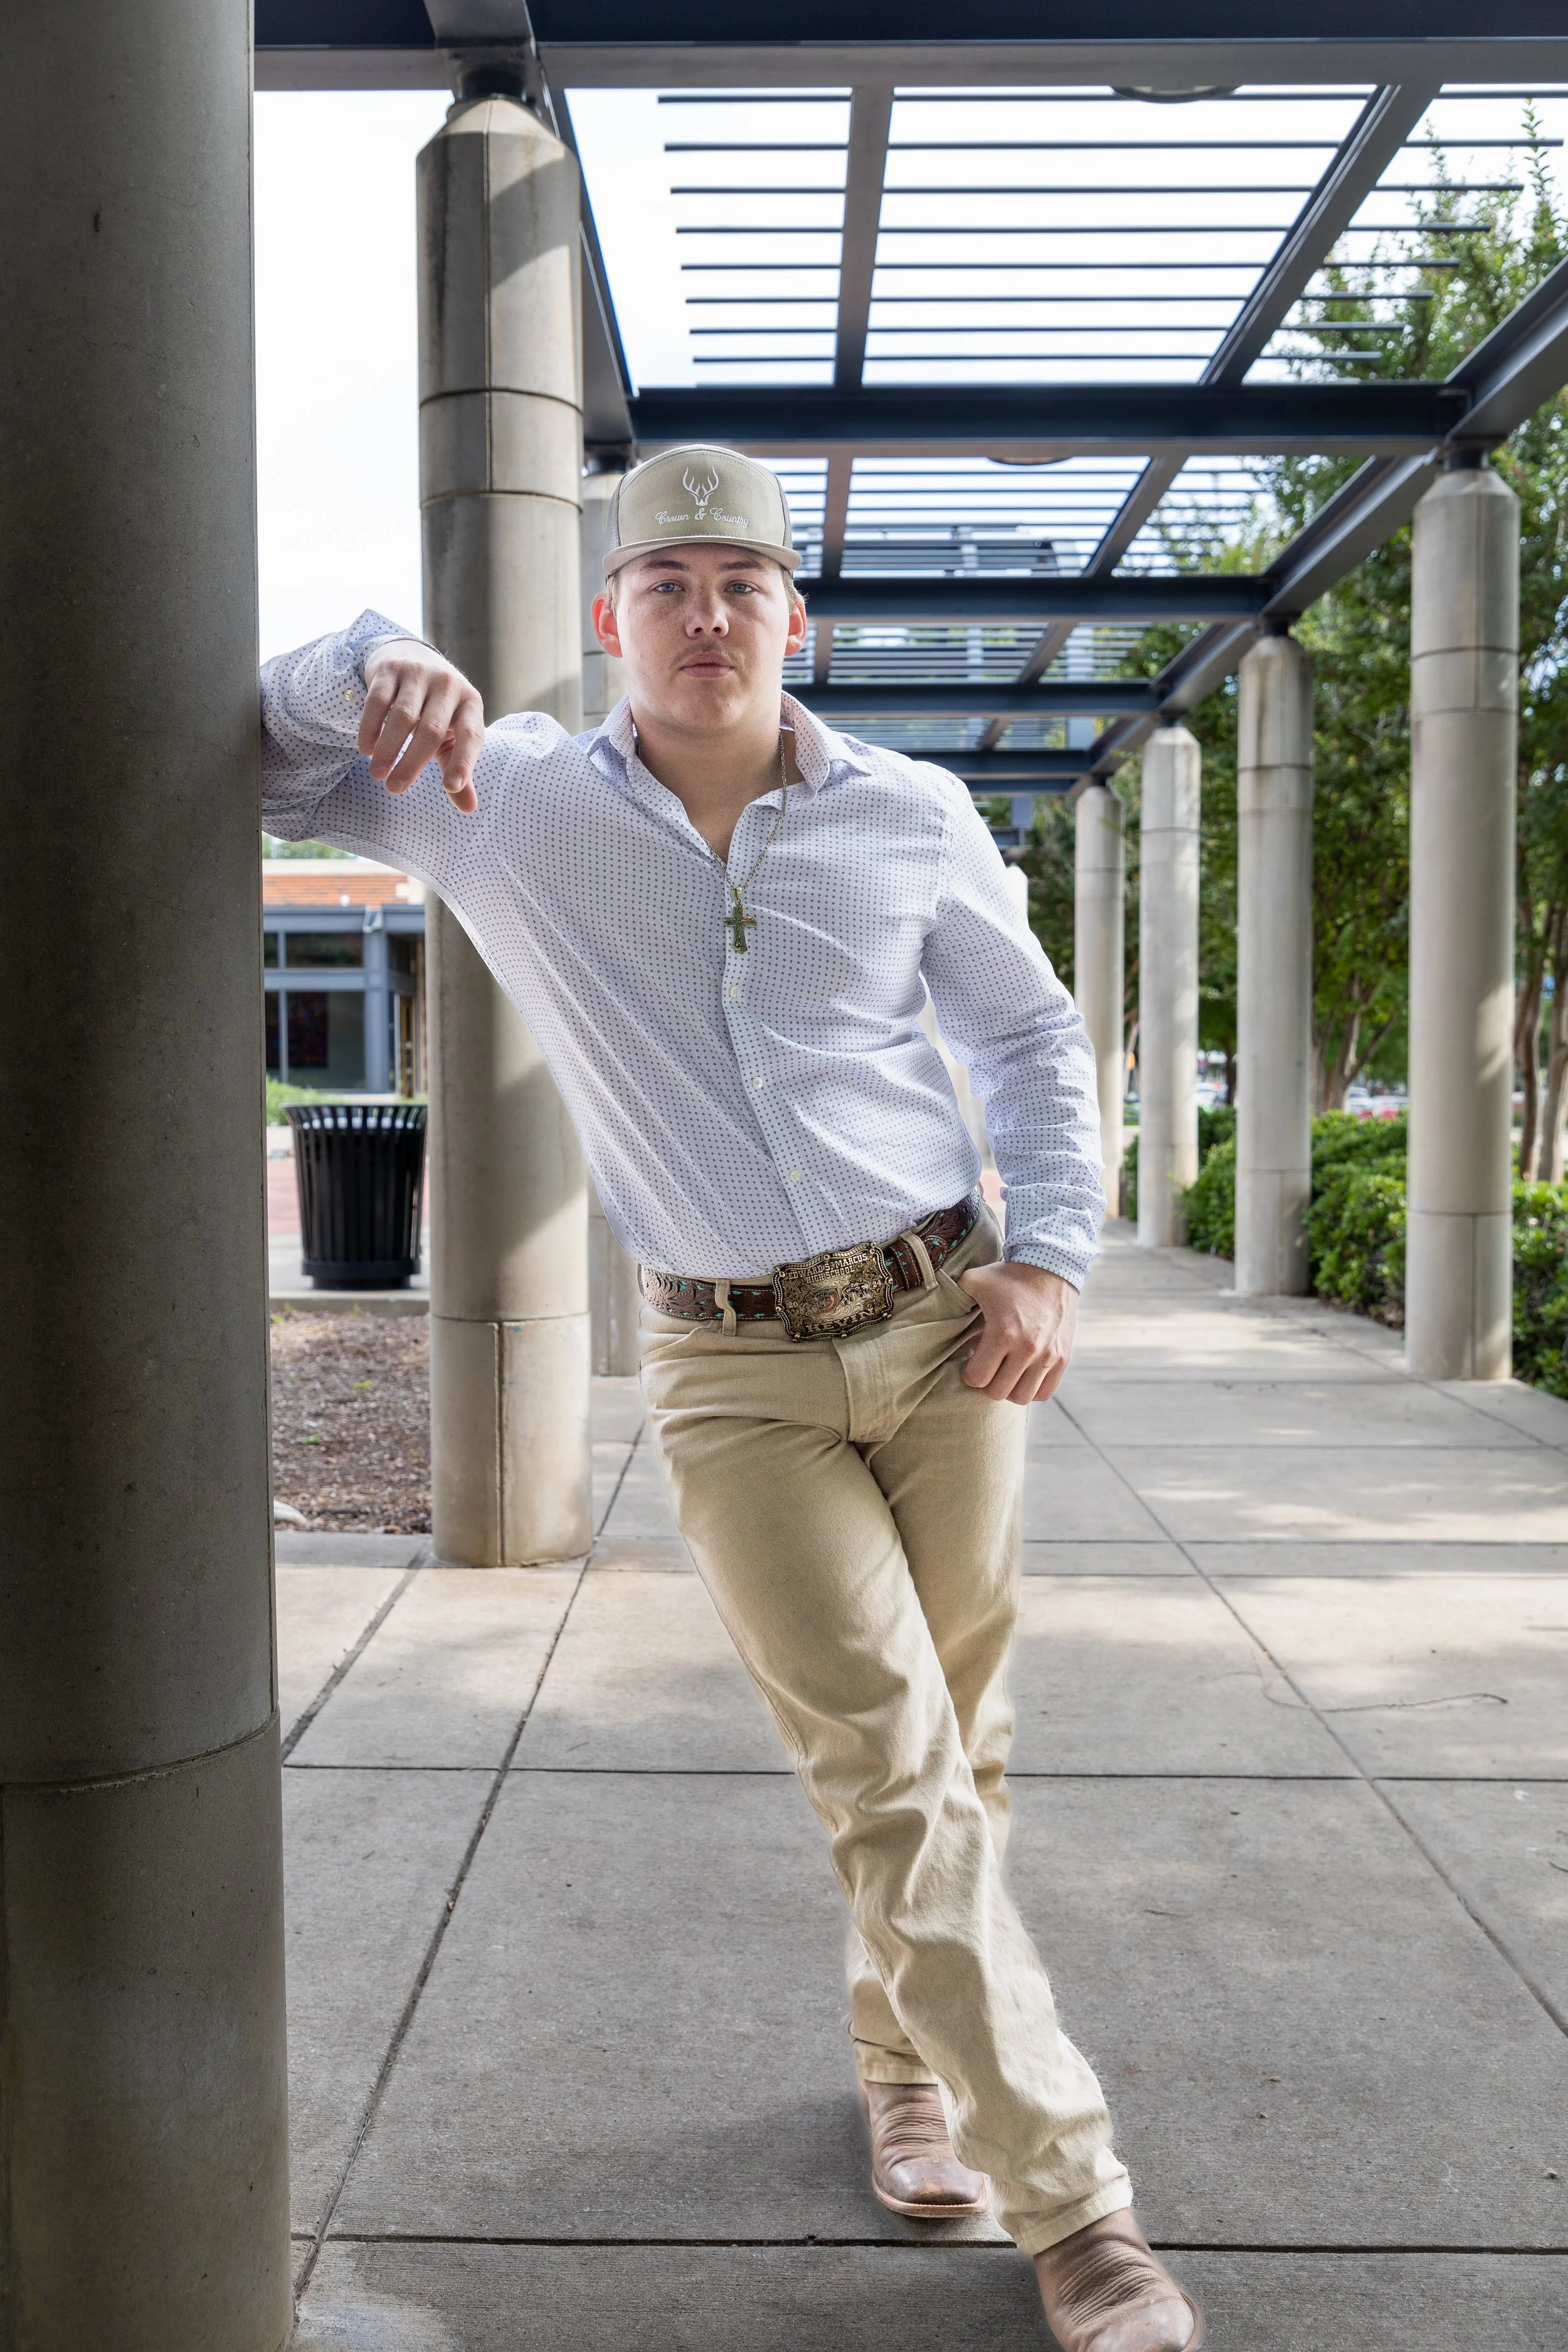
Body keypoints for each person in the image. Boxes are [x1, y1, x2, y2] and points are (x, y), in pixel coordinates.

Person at [259, 445, 1203, 2352]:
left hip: (949, 1328)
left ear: (798, 619)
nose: (706, 617)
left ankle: (909, 2066)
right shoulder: (494, 795)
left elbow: (1024, 1033)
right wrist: (368, 654)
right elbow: (261, 761)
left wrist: (1053, 1254)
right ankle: (1081, 2209)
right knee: (886, 1764)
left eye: (742, 585)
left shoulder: (911, 814)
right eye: (666, 584)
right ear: (610, 620)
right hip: (732, 1368)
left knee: (966, 1741)